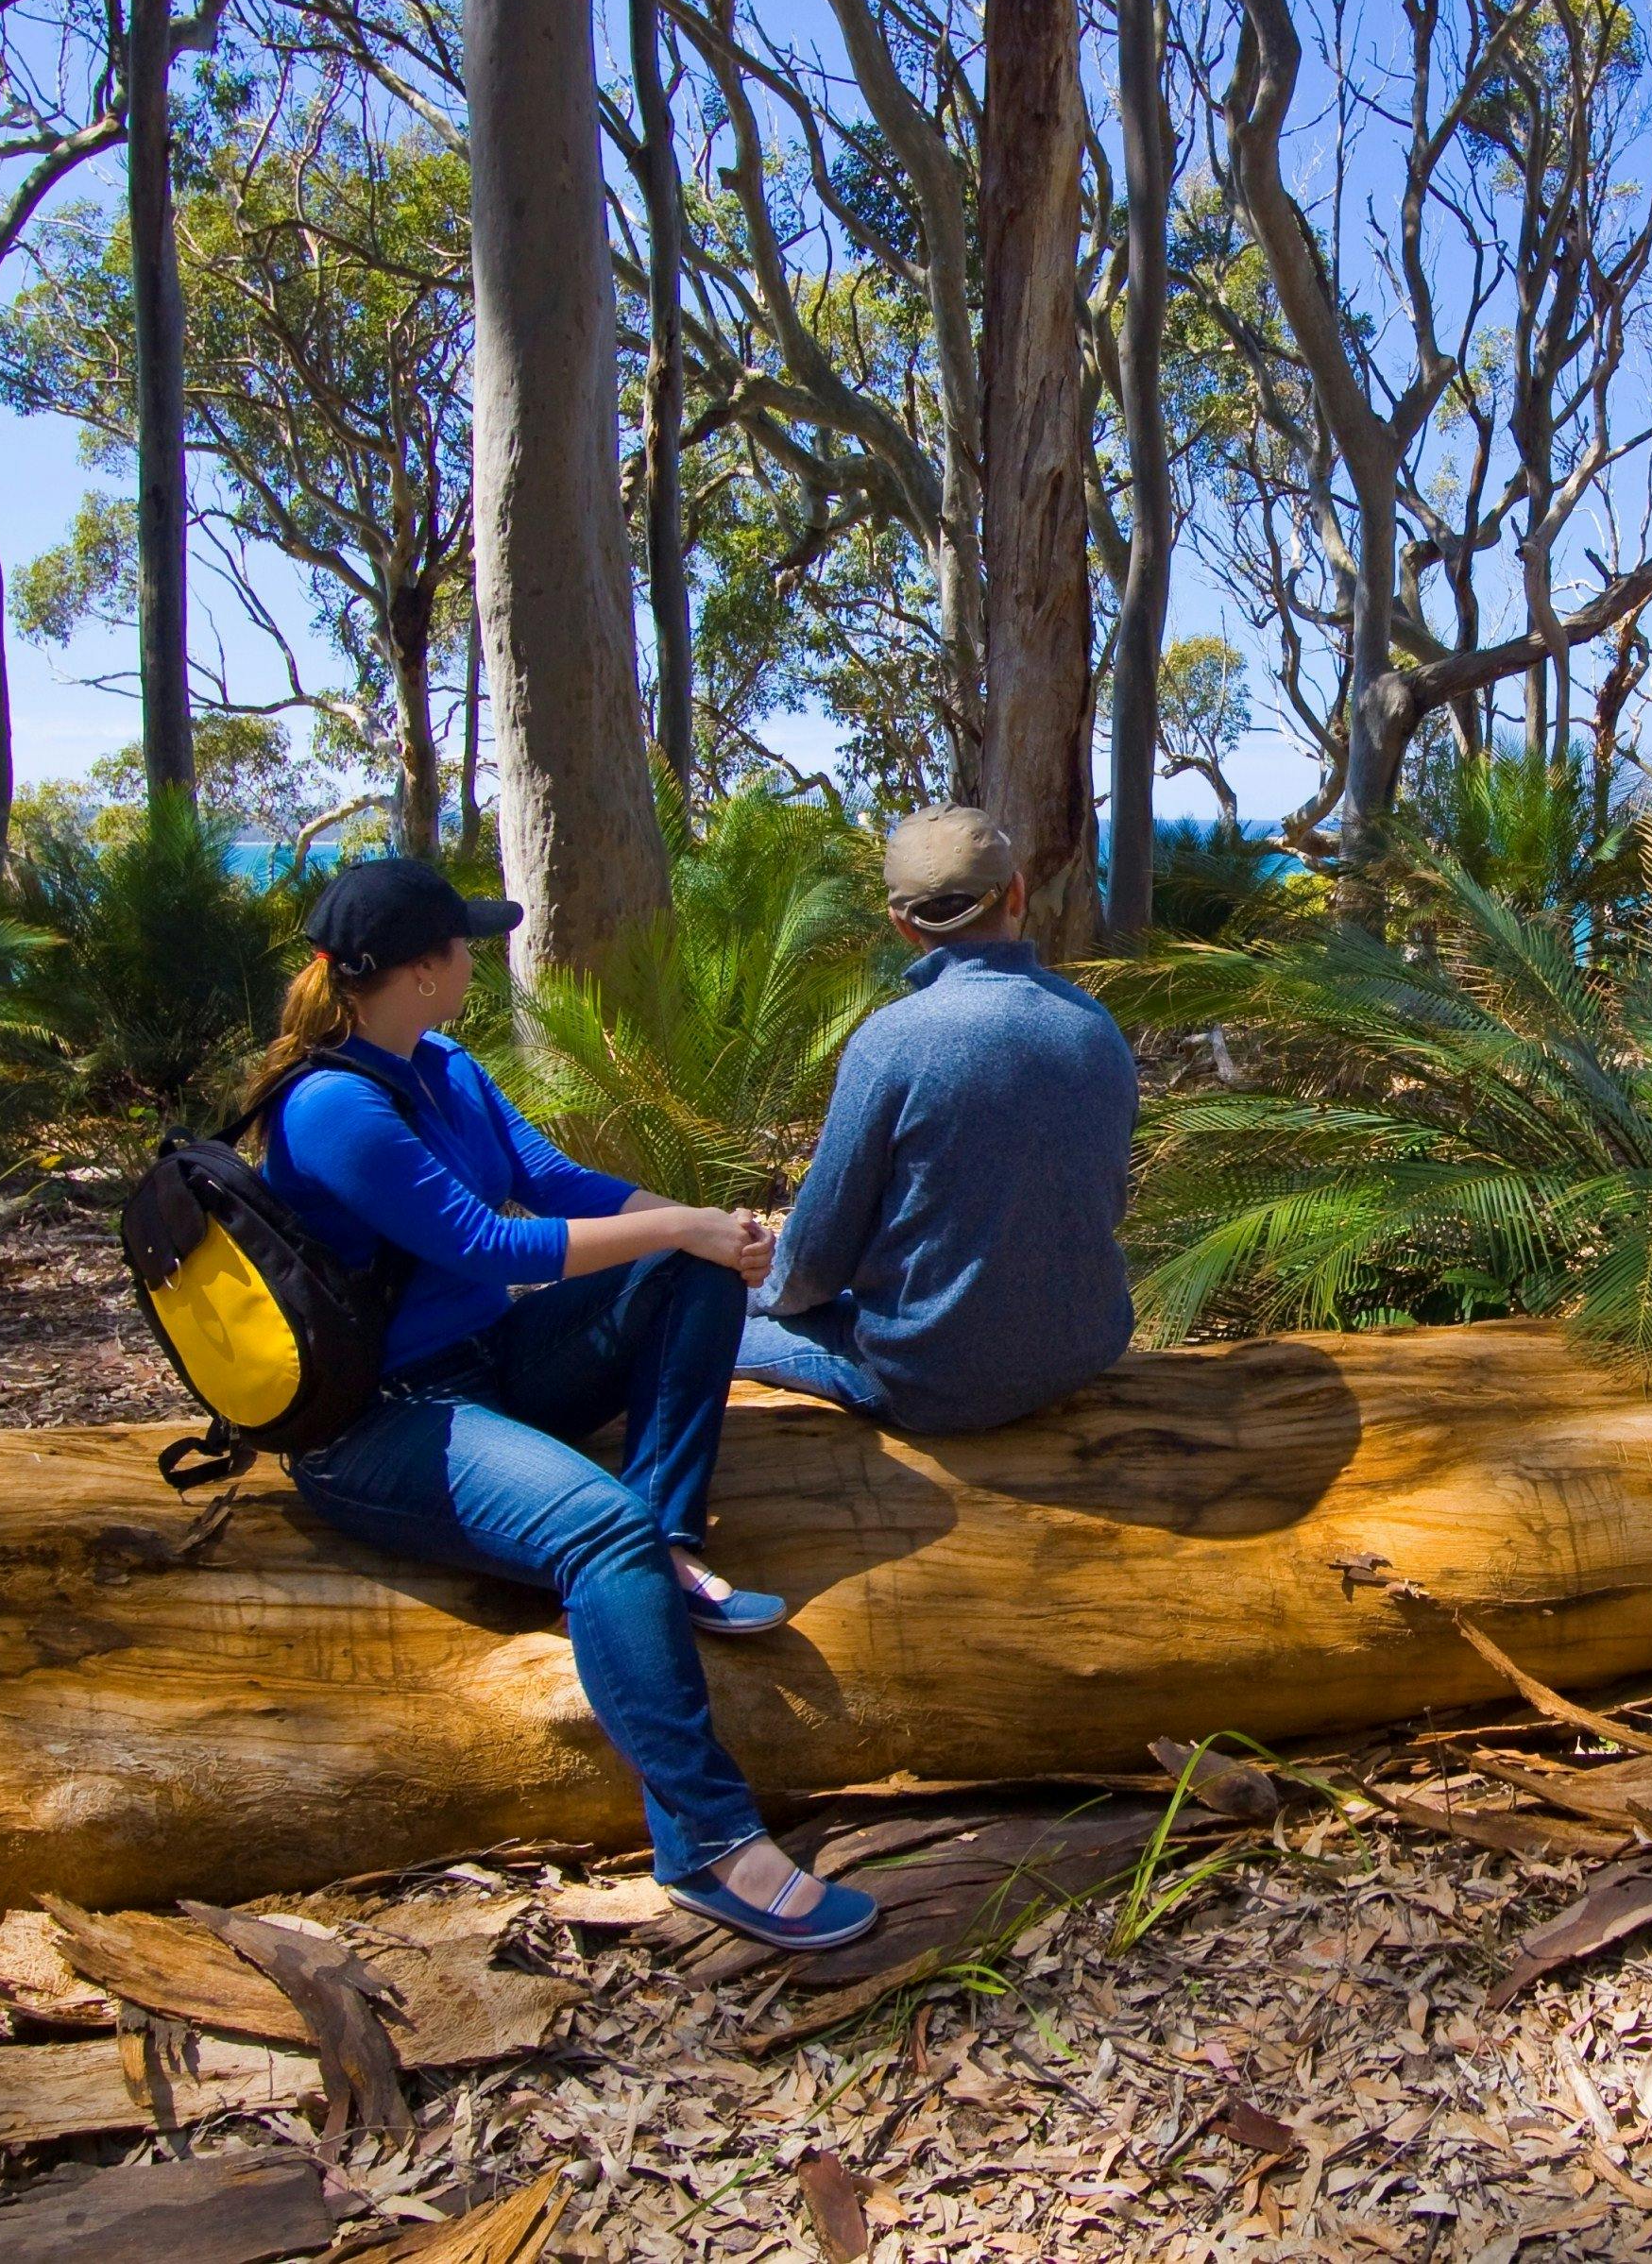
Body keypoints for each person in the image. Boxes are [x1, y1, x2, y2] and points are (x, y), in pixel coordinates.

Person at [253, 857, 877, 1953]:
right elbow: (486, 1242)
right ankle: (710, 1845)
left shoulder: (443, 1063)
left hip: (488, 1361)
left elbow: (553, 1182)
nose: (475, 960)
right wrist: (679, 1224)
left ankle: (670, 1539)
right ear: (418, 970)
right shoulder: (333, 1105)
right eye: (463, 945)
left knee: (686, 1271)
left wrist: (704, 1230)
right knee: (601, 1530)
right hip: (382, 1421)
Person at [739, 807, 1139, 1432]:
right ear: (1016, 894)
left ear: (902, 924)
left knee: (711, 1321)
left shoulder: (891, 1042)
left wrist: (755, 1295)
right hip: (1085, 1347)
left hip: (931, 1382)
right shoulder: (1094, 1025)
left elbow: (815, 1263)